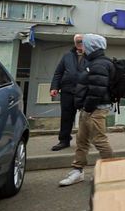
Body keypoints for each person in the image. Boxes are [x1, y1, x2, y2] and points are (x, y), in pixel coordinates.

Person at [59, 34, 115, 187]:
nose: (81, 47)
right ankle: (78, 171)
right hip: (88, 108)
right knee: (82, 141)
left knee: (100, 141)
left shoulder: (100, 64)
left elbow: (97, 89)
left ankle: (110, 172)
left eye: (84, 44)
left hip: (96, 109)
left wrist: (88, 107)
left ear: (92, 46)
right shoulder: (93, 62)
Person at [49, 34, 86, 151]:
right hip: (67, 91)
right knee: (66, 117)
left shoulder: (91, 56)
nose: (80, 43)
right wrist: (54, 87)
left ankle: (86, 141)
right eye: (77, 41)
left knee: (87, 118)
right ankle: (64, 141)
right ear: (74, 43)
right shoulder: (67, 56)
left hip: (84, 91)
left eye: (82, 41)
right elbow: (58, 73)